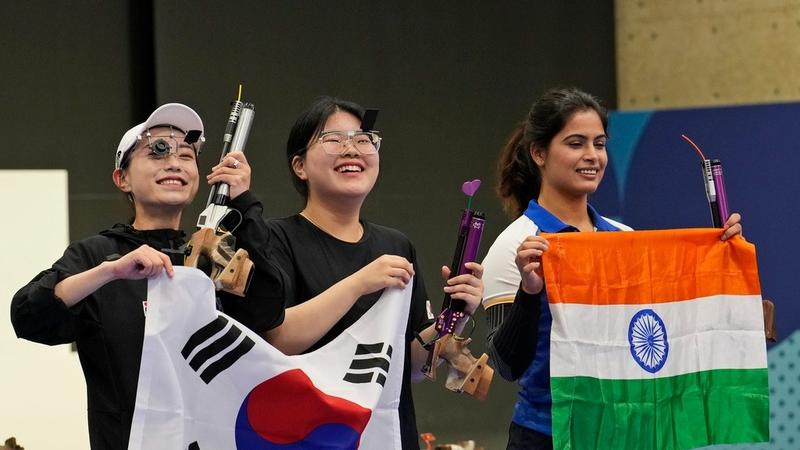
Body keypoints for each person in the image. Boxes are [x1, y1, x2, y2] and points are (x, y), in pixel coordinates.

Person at [205, 96, 485, 449]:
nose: (352, 149)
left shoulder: (396, 245)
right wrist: (358, 284)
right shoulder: (272, 239)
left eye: (364, 140)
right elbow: (275, 340)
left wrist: (454, 316)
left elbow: (409, 367)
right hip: (305, 437)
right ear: (299, 166)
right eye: (334, 139)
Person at [10, 104, 285, 450]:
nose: (174, 162)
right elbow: (28, 316)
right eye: (157, 151)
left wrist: (245, 201)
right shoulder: (97, 254)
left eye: (187, 154)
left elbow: (269, 314)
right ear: (122, 178)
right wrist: (111, 271)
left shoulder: (212, 256)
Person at [480, 88, 743, 449]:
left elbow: (660, 334)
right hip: (547, 437)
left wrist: (721, 259)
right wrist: (529, 291)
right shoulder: (515, 245)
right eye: (576, 143)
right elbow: (509, 367)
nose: (592, 156)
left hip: (625, 435)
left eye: (599, 144)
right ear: (539, 153)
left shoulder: (624, 238)